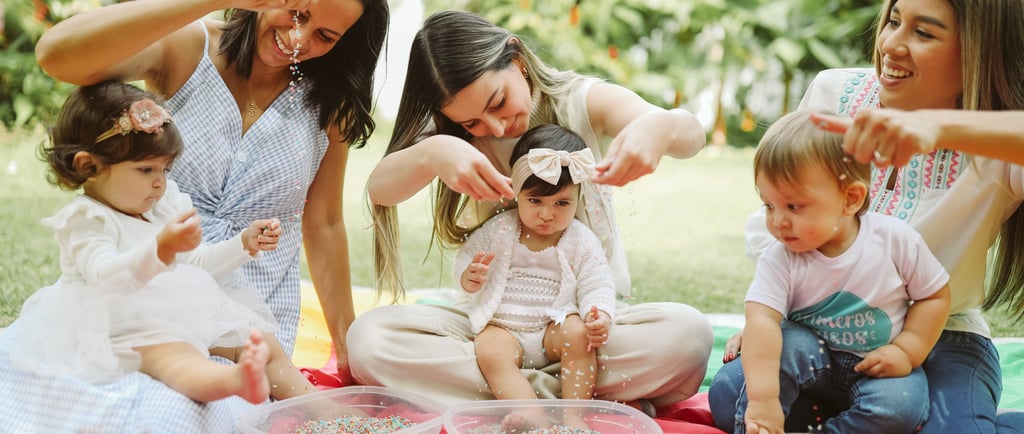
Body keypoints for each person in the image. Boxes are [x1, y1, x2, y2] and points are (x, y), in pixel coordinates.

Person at [348, 10, 713, 408]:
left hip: (584, 329)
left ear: (517, 59)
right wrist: (434, 151)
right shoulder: (452, 137)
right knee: (369, 341)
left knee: (688, 336)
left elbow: (692, 136)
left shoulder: (580, 101)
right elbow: (380, 190)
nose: (496, 127)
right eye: (473, 123)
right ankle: (573, 397)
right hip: (491, 329)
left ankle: (515, 397)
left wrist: (661, 127)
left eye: (499, 102)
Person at [708, 0, 1024, 432]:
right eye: (893, 21)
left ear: (981, 50)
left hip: (944, 337)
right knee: (735, 395)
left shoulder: (1000, 145)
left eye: (923, 32)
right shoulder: (834, 93)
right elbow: (786, 219)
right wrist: (770, 318)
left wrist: (944, 126)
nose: (891, 44)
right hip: (821, 333)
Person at [33, 0, 389, 382]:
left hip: (252, 326)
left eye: (325, 36)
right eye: (297, 14)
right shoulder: (188, 48)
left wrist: (345, 347)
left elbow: (324, 223)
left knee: (219, 397)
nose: (297, 38)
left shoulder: (330, 101)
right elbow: (56, 56)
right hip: (143, 303)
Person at [9, 81, 315, 406]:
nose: (159, 182)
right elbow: (104, 276)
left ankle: (316, 406)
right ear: (90, 166)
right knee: (174, 355)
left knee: (261, 341)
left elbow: (196, 264)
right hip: (118, 326)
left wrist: (242, 244)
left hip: (172, 313)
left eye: (165, 169)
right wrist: (159, 250)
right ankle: (232, 380)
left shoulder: (161, 205)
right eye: (146, 169)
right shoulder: (87, 220)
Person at [730, 109, 951, 434]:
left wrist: (906, 350)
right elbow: (761, 320)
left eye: (793, 206)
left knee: (901, 407)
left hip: (874, 365)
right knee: (730, 391)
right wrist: (763, 402)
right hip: (809, 361)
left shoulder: (895, 241)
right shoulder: (780, 256)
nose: (778, 222)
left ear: (850, 199)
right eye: (769, 205)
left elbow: (934, 296)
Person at [458, 124, 617, 429]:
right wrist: (469, 275)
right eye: (535, 201)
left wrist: (599, 315)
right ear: (517, 193)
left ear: (578, 198)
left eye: (562, 203)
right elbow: (467, 257)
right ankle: (530, 412)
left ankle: (574, 415)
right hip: (504, 326)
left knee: (580, 335)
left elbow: (597, 281)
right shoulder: (501, 228)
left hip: (552, 327)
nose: (547, 214)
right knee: (490, 350)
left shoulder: (580, 238)